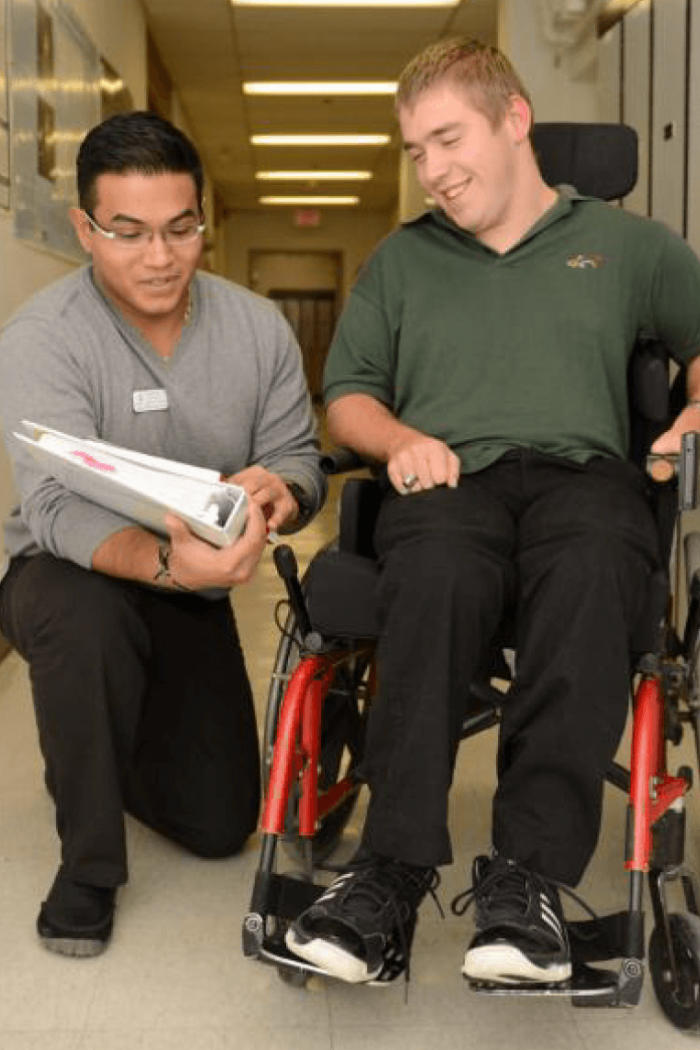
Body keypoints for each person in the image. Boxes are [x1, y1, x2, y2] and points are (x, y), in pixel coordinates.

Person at [284, 37, 700, 987]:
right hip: (447, 485)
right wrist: (397, 443)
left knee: (598, 562)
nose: (430, 171)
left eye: (446, 139)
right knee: (431, 568)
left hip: (585, 483)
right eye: (414, 151)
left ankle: (528, 884)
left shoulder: (634, 247)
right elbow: (347, 393)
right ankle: (387, 877)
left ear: (515, 119)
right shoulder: (404, 259)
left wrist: (693, 415)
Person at [0, 110, 325, 957]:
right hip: (65, 571)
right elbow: (56, 508)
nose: (159, 257)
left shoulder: (256, 328)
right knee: (88, 624)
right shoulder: (42, 338)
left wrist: (280, 493)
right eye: (129, 232)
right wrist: (170, 566)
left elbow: (297, 455)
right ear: (85, 227)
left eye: (181, 229)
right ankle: (88, 866)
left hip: (190, 578)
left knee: (221, 825)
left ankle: (99, 744)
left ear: (202, 219)